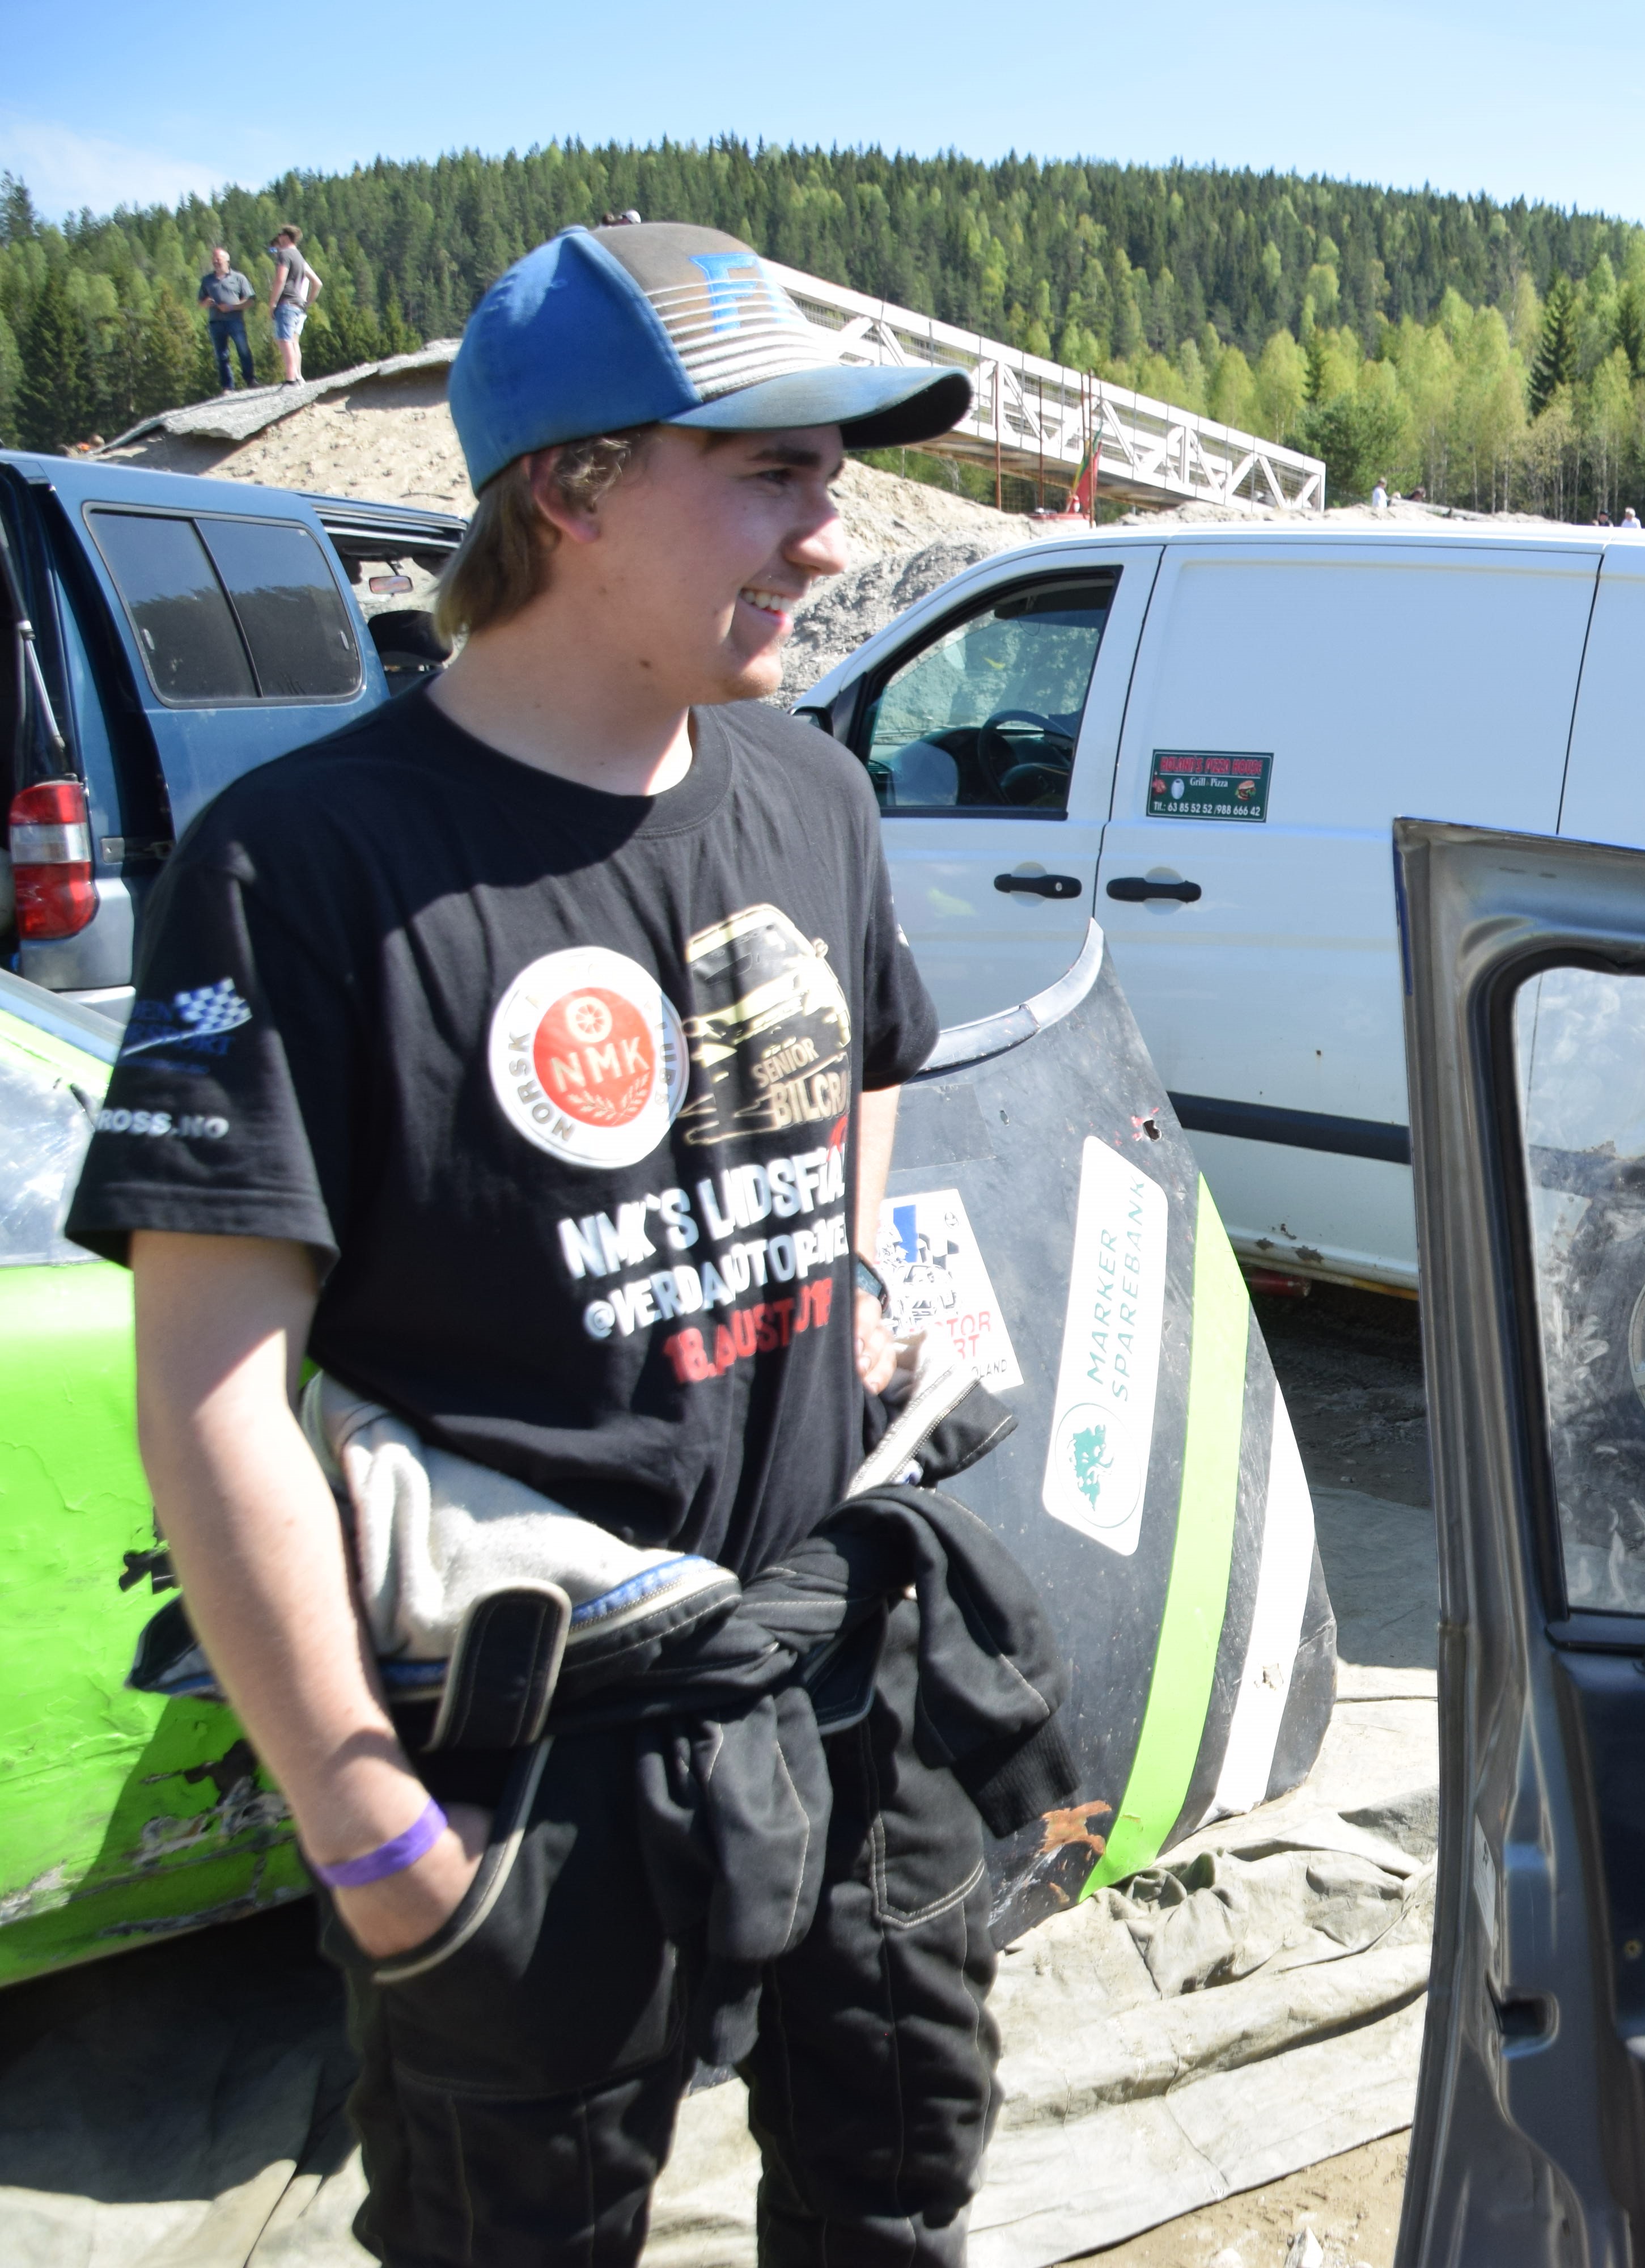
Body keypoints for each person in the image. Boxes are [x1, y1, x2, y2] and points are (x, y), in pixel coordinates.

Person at [65, 221, 1056, 2263]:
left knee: (899, 2179)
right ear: (571, 491)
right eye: (770, 474)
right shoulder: (302, 865)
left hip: (839, 1666)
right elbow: (213, 1398)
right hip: (538, 1751)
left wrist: (844, 1282)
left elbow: (861, 1053)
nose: (830, 533)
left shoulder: (808, 786)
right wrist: (369, 1830)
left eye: (831, 473)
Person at [266, 224, 322, 386]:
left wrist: (273, 303)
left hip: (286, 303)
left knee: (285, 341)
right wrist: (307, 303)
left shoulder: (284, 254)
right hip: (298, 305)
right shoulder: (299, 256)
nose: (279, 238)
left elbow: (280, 279)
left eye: (280, 234)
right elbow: (317, 283)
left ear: (286, 237)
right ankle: (298, 376)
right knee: (293, 341)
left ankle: (291, 379)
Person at [196, 248, 256, 391]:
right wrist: (206, 303)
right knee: (221, 355)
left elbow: (250, 300)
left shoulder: (239, 278)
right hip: (215, 322)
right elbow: (200, 302)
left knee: (243, 350)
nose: (216, 261)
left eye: (218, 259)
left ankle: (251, 380)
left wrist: (231, 307)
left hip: (235, 320)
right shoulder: (207, 280)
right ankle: (227, 387)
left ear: (227, 260)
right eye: (214, 259)